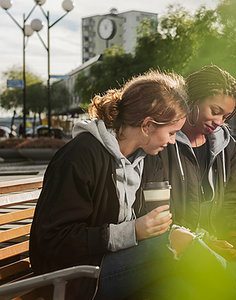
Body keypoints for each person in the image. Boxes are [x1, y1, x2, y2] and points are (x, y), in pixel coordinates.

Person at [29, 70, 191, 299]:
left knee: (183, 285)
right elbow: (54, 242)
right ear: (147, 125)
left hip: (115, 264)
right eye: (172, 132)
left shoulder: (146, 159)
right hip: (73, 277)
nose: (173, 141)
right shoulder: (80, 156)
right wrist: (133, 231)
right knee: (174, 247)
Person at [154, 65, 236, 296]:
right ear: (192, 99)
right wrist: (203, 243)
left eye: (225, 116)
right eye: (215, 110)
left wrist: (235, 235)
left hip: (216, 247)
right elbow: (152, 212)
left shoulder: (227, 145)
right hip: (174, 254)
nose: (219, 121)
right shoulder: (161, 143)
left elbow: (233, 198)